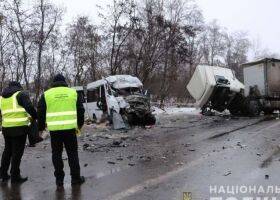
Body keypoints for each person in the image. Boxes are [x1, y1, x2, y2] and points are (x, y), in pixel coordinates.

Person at [37, 74, 85, 187]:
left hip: (55, 131)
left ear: (53, 82)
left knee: (56, 154)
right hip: (70, 130)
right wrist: (79, 125)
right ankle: (75, 178)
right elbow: (81, 110)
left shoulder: (46, 94)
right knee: (72, 154)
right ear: (64, 82)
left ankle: (59, 180)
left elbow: (40, 112)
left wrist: (41, 128)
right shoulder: (73, 93)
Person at [0, 81, 37, 183]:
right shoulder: (20, 94)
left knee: (7, 151)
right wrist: (35, 117)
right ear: (18, 87)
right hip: (19, 129)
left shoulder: (2, 97)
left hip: (6, 128)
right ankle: (15, 176)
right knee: (17, 153)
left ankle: (3, 174)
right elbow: (29, 107)